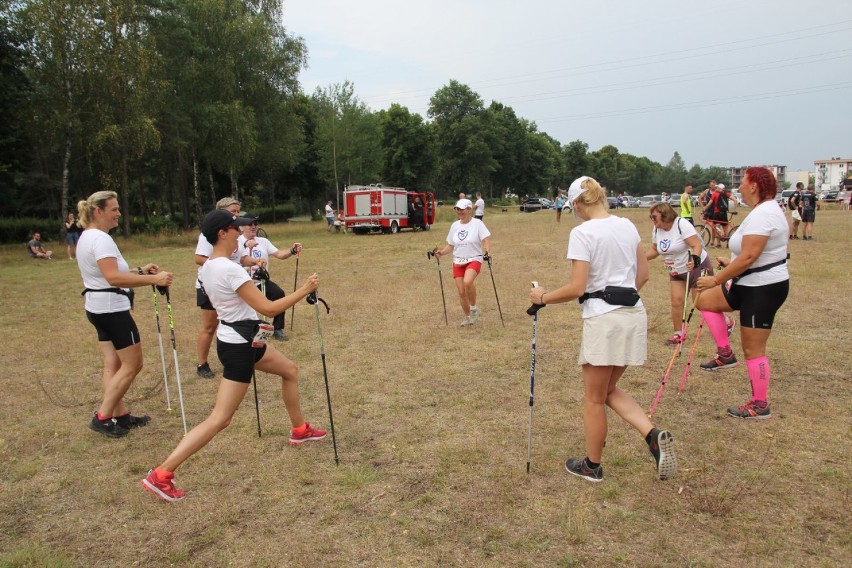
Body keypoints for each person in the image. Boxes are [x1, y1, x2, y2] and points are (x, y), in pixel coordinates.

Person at [141, 209, 325, 502]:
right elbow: (270, 308)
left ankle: (300, 430)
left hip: (244, 338)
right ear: (221, 234)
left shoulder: (212, 267)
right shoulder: (228, 269)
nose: (241, 233)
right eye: (235, 229)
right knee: (220, 418)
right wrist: (305, 288)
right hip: (239, 346)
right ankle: (162, 474)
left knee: (289, 370)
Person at [529, 176, 676, 483]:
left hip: (604, 320)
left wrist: (542, 297)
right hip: (633, 314)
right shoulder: (626, 225)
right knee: (607, 390)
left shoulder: (582, 232)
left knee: (594, 397)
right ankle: (652, 435)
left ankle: (592, 465)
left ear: (579, 204)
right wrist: (621, 296)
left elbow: (577, 286)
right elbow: (644, 274)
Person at [76, 191, 174, 437]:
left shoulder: (87, 237)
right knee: (133, 364)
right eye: (114, 209)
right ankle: (103, 416)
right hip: (112, 309)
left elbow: (107, 273)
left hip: (98, 307)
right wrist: (153, 278)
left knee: (113, 364)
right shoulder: (101, 239)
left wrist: (139, 270)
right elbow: (113, 277)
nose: (119, 213)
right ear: (98, 212)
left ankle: (120, 415)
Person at [695, 166, 789, 419]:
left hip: (763, 288)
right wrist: (731, 262)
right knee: (703, 301)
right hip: (745, 282)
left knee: (753, 349)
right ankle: (725, 354)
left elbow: (749, 256)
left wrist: (717, 279)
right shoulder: (759, 211)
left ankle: (760, 404)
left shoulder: (765, 213)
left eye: (744, 182)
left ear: (754, 186)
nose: (739, 187)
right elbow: (745, 254)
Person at [646, 203, 715, 345]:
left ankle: (727, 322)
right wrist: (640, 258)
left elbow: (696, 245)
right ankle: (678, 334)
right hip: (676, 269)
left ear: (665, 214)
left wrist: (695, 259)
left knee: (701, 303)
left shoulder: (681, 224)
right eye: (650, 217)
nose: (652, 220)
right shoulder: (657, 229)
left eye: (654, 216)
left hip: (695, 267)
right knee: (676, 301)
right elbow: (655, 249)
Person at [195, 197, 244, 379]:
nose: (237, 214)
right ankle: (202, 363)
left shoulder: (236, 233)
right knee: (210, 326)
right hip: (211, 283)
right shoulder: (211, 233)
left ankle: (230, 358)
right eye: (233, 211)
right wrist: (221, 266)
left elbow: (240, 256)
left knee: (228, 322)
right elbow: (199, 258)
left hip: (229, 283)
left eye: (238, 211)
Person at [238, 214, 302, 341]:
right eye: (250, 224)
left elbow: (279, 254)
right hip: (243, 283)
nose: (253, 226)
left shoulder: (263, 241)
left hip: (261, 281)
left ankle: (277, 329)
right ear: (241, 227)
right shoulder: (237, 242)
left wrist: (292, 250)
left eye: (255, 223)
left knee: (279, 294)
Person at [433, 199, 491, 327]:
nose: (459, 212)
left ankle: (474, 308)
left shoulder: (477, 223)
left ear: (469, 210)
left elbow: (485, 239)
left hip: (474, 258)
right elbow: (451, 245)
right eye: (457, 209)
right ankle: (468, 317)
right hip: (458, 260)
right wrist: (441, 253)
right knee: (461, 292)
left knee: (467, 282)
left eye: (462, 209)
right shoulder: (455, 225)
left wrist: (486, 252)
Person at [703, 182, 733, 247]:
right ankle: (728, 243)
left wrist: (704, 208)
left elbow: (709, 203)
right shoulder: (726, 193)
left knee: (717, 228)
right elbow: (734, 199)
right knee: (725, 228)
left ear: (718, 188)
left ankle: (718, 243)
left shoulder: (715, 194)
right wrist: (735, 209)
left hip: (717, 213)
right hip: (724, 213)